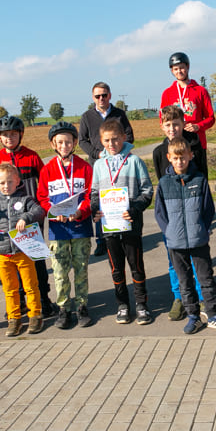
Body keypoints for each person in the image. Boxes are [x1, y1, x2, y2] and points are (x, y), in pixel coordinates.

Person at [154, 138, 216, 334]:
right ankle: (193, 316)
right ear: (169, 158)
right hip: (176, 243)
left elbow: (208, 210)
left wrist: (202, 228)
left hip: (199, 240)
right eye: (175, 158)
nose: (180, 161)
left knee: (206, 279)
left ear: (190, 156)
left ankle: (214, 314)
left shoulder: (199, 180)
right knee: (184, 281)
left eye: (183, 157)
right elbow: (159, 213)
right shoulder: (164, 184)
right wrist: (169, 231)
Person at [0, 115, 56, 320]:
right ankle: (20, 301)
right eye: (5, 135)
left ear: (21, 135)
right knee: (13, 261)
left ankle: (43, 298)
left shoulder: (32, 157)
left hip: (30, 218)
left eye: (13, 134)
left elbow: (44, 182)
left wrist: (42, 208)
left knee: (35, 259)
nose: (9, 138)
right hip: (6, 220)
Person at [90, 119, 154, 325]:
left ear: (123, 138)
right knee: (116, 269)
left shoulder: (134, 161)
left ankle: (142, 304)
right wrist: (95, 209)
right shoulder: (99, 165)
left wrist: (134, 209)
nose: (111, 144)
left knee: (136, 266)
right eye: (107, 140)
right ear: (101, 141)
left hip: (131, 226)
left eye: (115, 139)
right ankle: (123, 305)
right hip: (108, 228)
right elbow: (93, 193)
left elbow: (147, 190)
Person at [0, 163, 46, 337]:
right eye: (2, 183)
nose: (6, 186)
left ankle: (35, 315)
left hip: (23, 252)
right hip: (3, 254)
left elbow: (40, 211)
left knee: (30, 286)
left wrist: (26, 217)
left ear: (17, 181)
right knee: (10, 289)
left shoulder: (25, 200)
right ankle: (14, 319)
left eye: (10, 182)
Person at [37, 121, 94, 329]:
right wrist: (53, 213)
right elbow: (42, 197)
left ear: (75, 142)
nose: (64, 146)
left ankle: (82, 306)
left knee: (81, 268)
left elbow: (90, 194)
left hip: (81, 228)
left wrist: (81, 211)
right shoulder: (47, 170)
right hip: (58, 229)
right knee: (60, 271)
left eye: (68, 142)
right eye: (59, 142)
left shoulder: (85, 167)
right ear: (53, 144)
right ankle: (63, 308)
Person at [152, 105, 205, 321]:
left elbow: (203, 180)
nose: (172, 128)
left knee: (196, 259)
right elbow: (162, 185)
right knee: (173, 261)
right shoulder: (158, 153)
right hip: (173, 217)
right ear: (162, 127)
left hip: (192, 213)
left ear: (183, 124)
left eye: (176, 124)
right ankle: (179, 297)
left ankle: (199, 297)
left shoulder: (195, 147)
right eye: (168, 125)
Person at [78, 82, 134, 256]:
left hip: (120, 165)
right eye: (97, 96)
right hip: (99, 166)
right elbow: (82, 140)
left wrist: (119, 152)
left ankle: (123, 233)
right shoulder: (87, 116)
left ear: (110, 95)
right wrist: (97, 154)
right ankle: (102, 240)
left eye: (104, 95)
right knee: (100, 202)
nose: (101, 99)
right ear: (93, 97)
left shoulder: (119, 114)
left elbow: (130, 136)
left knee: (120, 199)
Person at [159, 52, 215, 167]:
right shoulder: (167, 93)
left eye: (182, 68)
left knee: (200, 176)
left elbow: (211, 118)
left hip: (197, 142)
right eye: (175, 69)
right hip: (176, 143)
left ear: (188, 67)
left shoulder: (200, 91)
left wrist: (198, 126)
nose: (179, 71)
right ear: (172, 71)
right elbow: (162, 119)